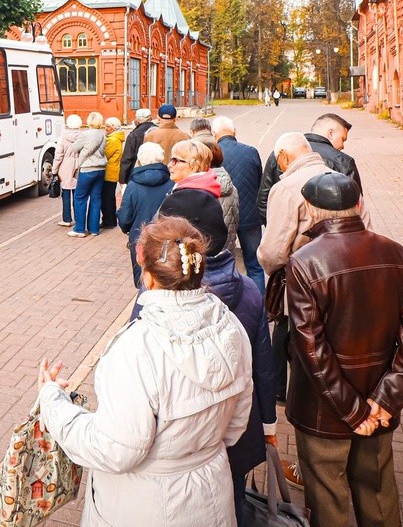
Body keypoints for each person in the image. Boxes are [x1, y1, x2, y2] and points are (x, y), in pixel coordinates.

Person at [36, 215, 254, 527]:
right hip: (211, 496)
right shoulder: (231, 328)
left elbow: (117, 450)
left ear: (147, 273)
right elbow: (235, 425)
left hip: (143, 505)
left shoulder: (136, 348)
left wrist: (53, 403)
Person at [285, 172, 403, 527]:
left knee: (328, 500)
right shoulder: (396, 252)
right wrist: (385, 400)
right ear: (359, 205)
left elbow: (311, 350)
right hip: (377, 400)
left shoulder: (305, 261)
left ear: (309, 209)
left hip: (323, 408)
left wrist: (354, 411)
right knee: (379, 495)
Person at [257, 132, 371, 409]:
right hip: (345, 277)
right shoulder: (343, 181)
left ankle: (297, 397)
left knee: (296, 339)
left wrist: (273, 271)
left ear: (284, 157)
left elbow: (274, 250)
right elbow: (365, 227)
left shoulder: (286, 188)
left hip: (301, 280)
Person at [197, 204, 277, 527]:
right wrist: (269, 424)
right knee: (237, 500)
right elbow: (263, 366)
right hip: (240, 432)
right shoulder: (249, 290)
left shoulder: (158, 299)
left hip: (190, 448)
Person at [257, 113, 362, 224]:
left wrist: (276, 226)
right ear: (331, 133)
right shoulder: (343, 162)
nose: (343, 146)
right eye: (343, 139)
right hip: (330, 237)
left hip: (285, 233)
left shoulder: (279, 153)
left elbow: (263, 200)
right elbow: (356, 208)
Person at [212, 116, 265, 293]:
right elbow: (260, 182)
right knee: (255, 266)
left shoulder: (213, 154)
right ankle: (260, 309)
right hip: (250, 217)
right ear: (235, 132)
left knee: (223, 264)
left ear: (214, 135)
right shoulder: (251, 152)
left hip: (223, 217)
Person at [116, 142, 172, 290]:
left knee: (143, 283)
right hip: (167, 239)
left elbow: (125, 219)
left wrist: (119, 214)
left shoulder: (133, 185)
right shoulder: (172, 183)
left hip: (140, 238)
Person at [192, 134, 239, 254]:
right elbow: (235, 219)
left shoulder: (198, 187)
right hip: (227, 250)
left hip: (205, 252)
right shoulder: (231, 187)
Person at [68, 111, 107, 237]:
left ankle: (79, 229)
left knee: (80, 198)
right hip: (100, 168)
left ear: (89, 121)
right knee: (96, 198)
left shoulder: (85, 134)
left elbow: (74, 148)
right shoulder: (103, 134)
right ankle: (94, 229)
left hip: (87, 168)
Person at [51, 114, 83, 227]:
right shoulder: (82, 136)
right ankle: (79, 220)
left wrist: (54, 170)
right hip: (78, 167)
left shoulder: (62, 138)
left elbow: (58, 155)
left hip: (65, 167)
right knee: (77, 195)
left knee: (65, 194)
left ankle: (67, 219)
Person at [118, 108, 156, 184]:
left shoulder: (134, 135)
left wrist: (123, 179)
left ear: (137, 120)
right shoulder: (158, 130)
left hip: (137, 171)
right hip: (158, 170)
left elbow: (127, 158)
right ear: (150, 118)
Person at [101, 117, 125, 229]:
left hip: (109, 171)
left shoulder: (112, 140)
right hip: (113, 170)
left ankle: (109, 220)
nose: (106, 128)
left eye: (108, 126)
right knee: (109, 197)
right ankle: (110, 220)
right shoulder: (115, 138)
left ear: (113, 128)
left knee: (107, 198)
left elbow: (105, 154)